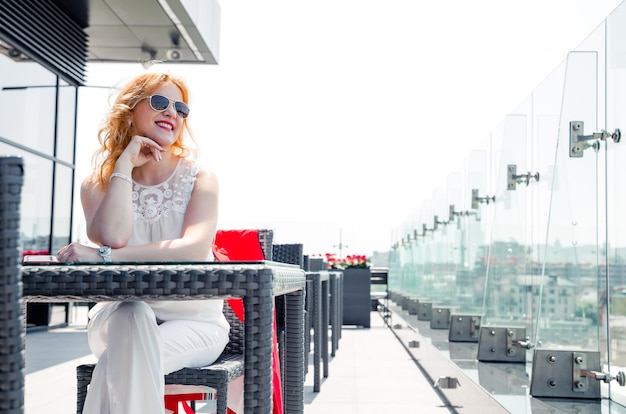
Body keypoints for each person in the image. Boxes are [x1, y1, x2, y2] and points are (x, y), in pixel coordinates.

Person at [57, 71, 231, 413]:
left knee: (120, 361)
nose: (172, 113)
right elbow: (114, 236)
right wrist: (124, 163)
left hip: (196, 322)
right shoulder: (98, 185)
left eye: (180, 108)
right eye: (160, 102)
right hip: (116, 316)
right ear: (131, 109)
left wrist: (102, 258)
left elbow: (194, 250)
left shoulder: (200, 178)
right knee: (132, 313)